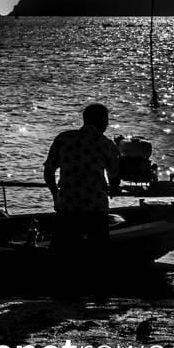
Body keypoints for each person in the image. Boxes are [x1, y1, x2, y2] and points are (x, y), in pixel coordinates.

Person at [43, 103, 120, 253]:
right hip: (96, 209)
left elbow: (48, 172)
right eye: (106, 120)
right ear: (102, 121)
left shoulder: (63, 138)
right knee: (99, 250)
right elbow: (115, 177)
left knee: (61, 250)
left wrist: (55, 194)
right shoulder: (107, 145)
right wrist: (114, 188)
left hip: (67, 206)